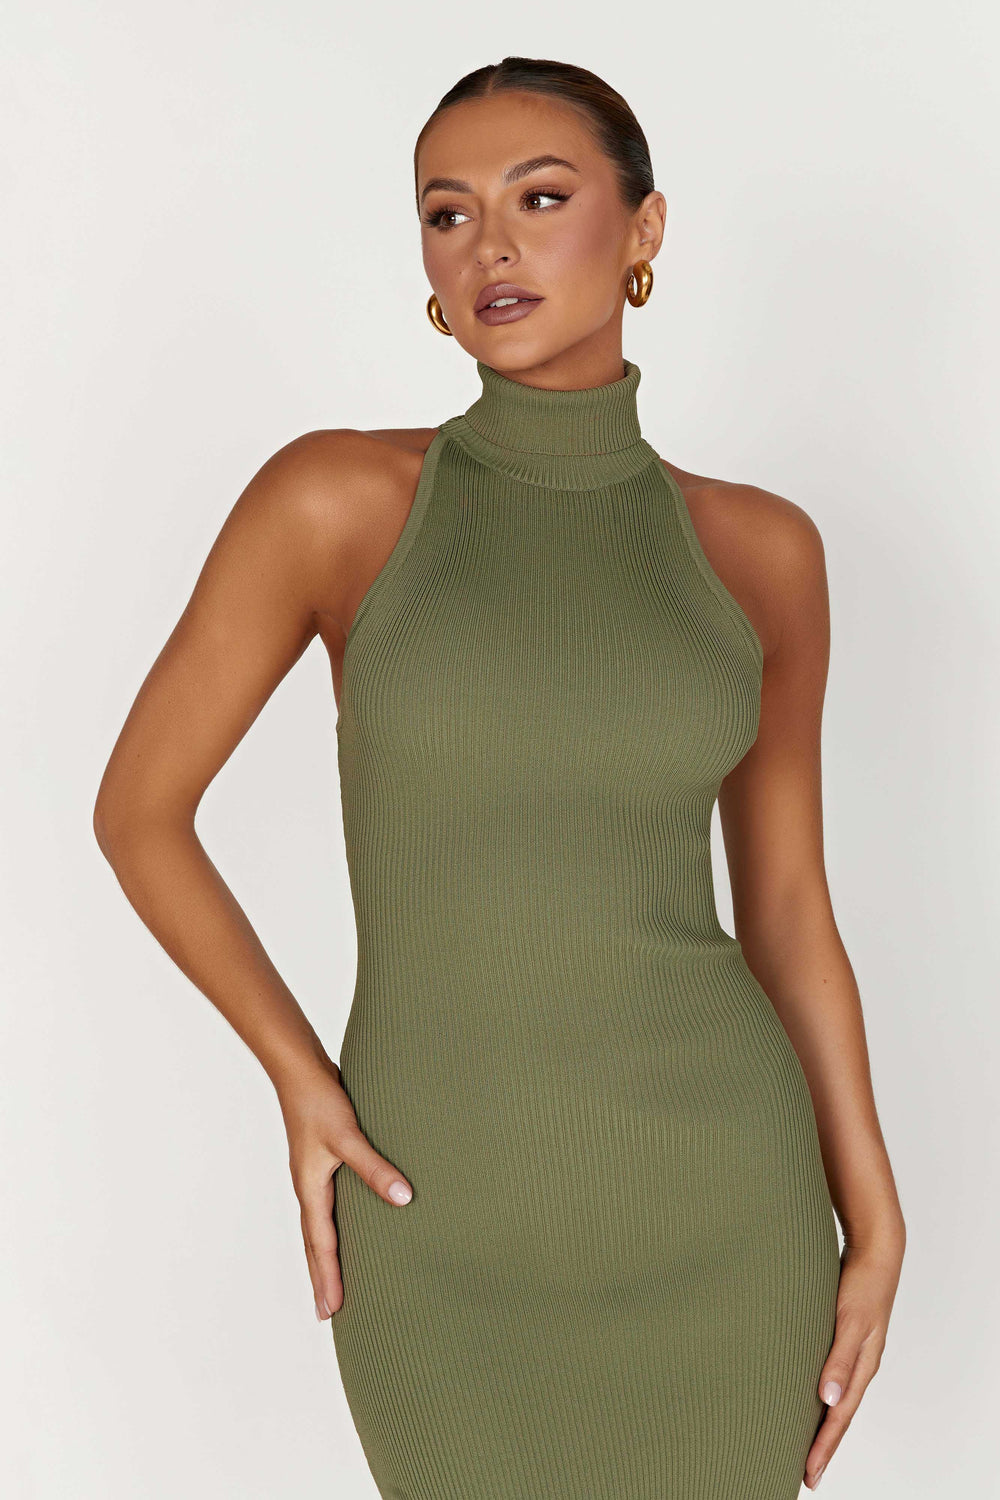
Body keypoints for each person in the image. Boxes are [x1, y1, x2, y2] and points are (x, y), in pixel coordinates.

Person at [94, 55, 906, 1500]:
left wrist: (877, 1215)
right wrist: (302, 1083)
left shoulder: (762, 552)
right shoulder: (336, 502)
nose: (490, 248)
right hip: (440, 1222)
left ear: (644, 228)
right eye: (447, 213)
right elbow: (139, 816)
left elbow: (788, 912)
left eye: (540, 199)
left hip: (721, 1219)